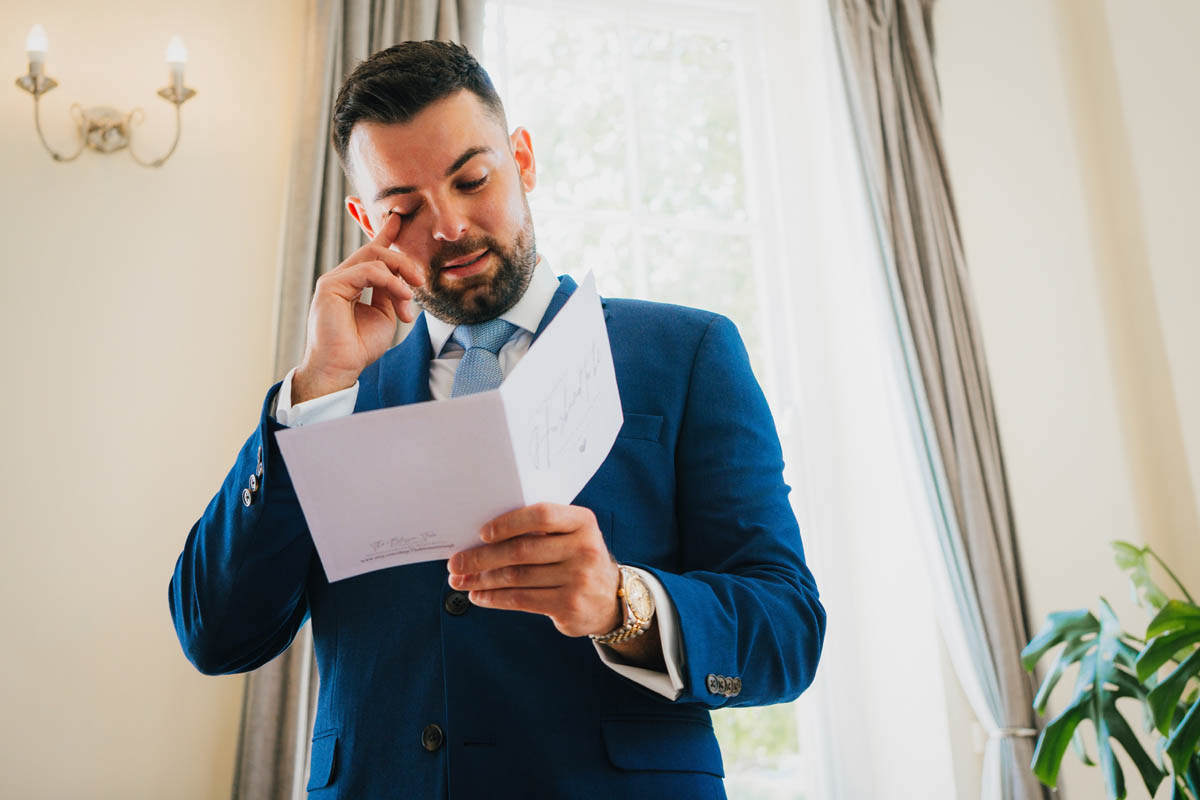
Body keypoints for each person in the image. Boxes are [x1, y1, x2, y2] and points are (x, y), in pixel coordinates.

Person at [169, 40, 825, 799]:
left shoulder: (688, 352)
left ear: (523, 160)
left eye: (472, 179)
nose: (448, 226)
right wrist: (315, 388)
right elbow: (214, 635)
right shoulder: (335, 393)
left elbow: (788, 631)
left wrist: (623, 601)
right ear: (363, 219)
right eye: (404, 209)